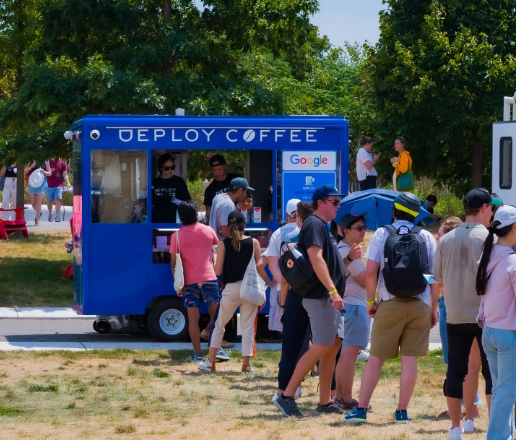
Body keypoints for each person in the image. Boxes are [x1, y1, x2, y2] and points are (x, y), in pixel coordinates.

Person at [345, 192, 438, 424]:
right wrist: (433, 308)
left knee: (376, 358)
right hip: (419, 304)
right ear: (416, 213)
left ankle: (362, 410)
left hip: (390, 302)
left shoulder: (382, 233)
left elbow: (371, 271)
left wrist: (370, 301)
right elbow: (435, 277)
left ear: (394, 211)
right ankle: (402, 412)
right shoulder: (426, 236)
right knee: (409, 359)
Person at [274, 184, 347, 418]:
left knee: (331, 347)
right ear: (321, 203)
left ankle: (325, 401)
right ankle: (286, 396)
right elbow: (316, 259)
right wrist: (333, 291)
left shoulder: (320, 226)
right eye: (335, 202)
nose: (338, 206)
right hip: (321, 297)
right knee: (323, 347)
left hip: (326, 297)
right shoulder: (315, 224)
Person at [433, 188, 494, 440]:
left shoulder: (445, 239)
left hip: (455, 314)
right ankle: (495, 425)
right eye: (490, 207)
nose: (491, 212)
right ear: (483, 208)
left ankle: (457, 426)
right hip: (485, 314)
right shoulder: (490, 238)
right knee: (492, 372)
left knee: (456, 371)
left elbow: (437, 277)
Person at [198, 211, 263, 373]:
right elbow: (259, 268)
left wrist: (214, 258)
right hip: (250, 288)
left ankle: (210, 362)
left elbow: (217, 270)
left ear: (228, 225)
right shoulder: (254, 243)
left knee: (219, 325)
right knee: (248, 327)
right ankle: (246, 365)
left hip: (231, 289)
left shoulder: (223, 244)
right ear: (244, 225)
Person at [476, 205, 516, 440]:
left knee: (502, 390)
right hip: (507, 334)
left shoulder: (486, 256)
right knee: (505, 393)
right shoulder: (512, 261)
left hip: (489, 332)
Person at [436, 217, 482, 420]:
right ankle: (471, 408)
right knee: (472, 364)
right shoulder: (471, 246)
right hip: (475, 311)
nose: (437, 239)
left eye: (440, 235)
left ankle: (467, 409)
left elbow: (438, 279)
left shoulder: (448, 249)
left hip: (455, 309)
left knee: (456, 364)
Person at [170, 201, 221, 362]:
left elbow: (173, 264)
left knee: (193, 319)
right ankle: (216, 350)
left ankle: (198, 354)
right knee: (217, 317)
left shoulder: (176, 236)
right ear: (196, 214)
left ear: (181, 217)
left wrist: (178, 285)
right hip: (209, 279)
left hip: (188, 283)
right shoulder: (208, 231)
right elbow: (217, 251)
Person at [334, 212, 370, 411]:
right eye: (359, 228)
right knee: (350, 353)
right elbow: (366, 281)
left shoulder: (345, 249)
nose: (363, 231)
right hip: (354, 307)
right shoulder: (348, 251)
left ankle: (341, 396)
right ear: (346, 231)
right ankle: (346, 398)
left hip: (350, 306)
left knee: (346, 354)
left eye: (365, 227)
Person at [258, 198, 301, 333]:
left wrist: (283, 283)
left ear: (287, 215)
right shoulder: (308, 230)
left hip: (282, 289)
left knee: (287, 330)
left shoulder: (277, 234)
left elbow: (271, 266)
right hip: (306, 287)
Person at [152, 153, 191, 223]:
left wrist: (173, 199)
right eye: (166, 168)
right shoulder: (154, 183)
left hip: (175, 220)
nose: (170, 170)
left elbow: (187, 202)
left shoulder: (179, 181)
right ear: (160, 167)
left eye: (172, 167)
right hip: (157, 221)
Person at [203, 154, 240, 221]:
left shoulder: (236, 180)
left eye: (219, 169)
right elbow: (209, 210)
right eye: (214, 170)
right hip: (221, 224)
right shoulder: (209, 190)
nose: (217, 172)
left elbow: (247, 197)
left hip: (240, 220)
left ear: (225, 166)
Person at [25, 162, 50, 226]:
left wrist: (44, 171)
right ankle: (39, 212)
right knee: (33, 203)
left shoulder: (45, 161)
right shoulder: (31, 161)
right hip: (32, 183)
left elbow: (49, 173)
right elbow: (25, 172)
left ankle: (37, 220)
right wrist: (31, 167)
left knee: (38, 201)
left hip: (41, 183)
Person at [46, 158, 70, 222]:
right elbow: (45, 172)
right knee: (49, 201)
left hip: (59, 185)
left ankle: (57, 216)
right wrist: (49, 171)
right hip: (50, 185)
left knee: (58, 199)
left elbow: (65, 174)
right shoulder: (48, 162)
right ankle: (50, 214)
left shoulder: (62, 162)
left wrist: (68, 183)